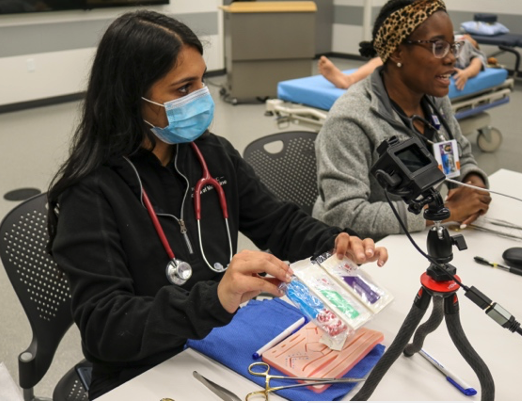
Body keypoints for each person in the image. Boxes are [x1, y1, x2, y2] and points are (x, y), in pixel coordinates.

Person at [46, 10, 388, 399]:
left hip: (217, 344)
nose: (201, 97)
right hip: (146, 370)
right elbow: (106, 328)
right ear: (131, 95)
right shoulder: (90, 192)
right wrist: (216, 298)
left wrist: (335, 242)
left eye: (202, 80)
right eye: (183, 88)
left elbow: (279, 223)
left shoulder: (211, 156)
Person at [313, 0, 491, 240]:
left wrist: (473, 183)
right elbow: (344, 214)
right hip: (359, 252)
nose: (451, 59)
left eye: (452, 46)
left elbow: (459, 158)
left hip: (415, 240)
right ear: (398, 51)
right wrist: (443, 212)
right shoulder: (350, 120)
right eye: (438, 46)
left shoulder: (434, 101)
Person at [318, 33, 485, 91]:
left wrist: (466, 73)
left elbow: (477, 63)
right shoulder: (452, 34)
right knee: (387, 58)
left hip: (436, 61)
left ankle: (349, 80)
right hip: (430, 51)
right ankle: (348, 79)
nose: (468, 36)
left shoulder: (470, 47)